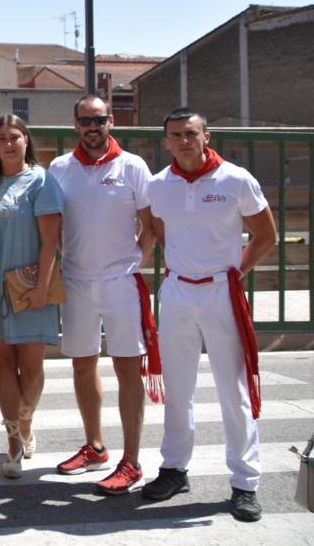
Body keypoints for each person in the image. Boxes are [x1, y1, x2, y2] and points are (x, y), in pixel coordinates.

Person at [143, 109, 276, 523]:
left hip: (222, 291)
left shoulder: (236, 179)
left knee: (232, 390)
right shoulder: (158, 185)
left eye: (190, 133)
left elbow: (266, 235)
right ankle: (174, 468)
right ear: (166, 141)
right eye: (175, 135)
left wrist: (234, 271)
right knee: (177, 388)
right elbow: (161, 230)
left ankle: (244, 483)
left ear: (206, 136)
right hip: (178, 290)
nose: (184, 141)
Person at [48, 95, 159, 495]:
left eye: (99, 119)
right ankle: (95, 447)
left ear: (111, 122)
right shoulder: (60, 168)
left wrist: (134, 261)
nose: (92, 127)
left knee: (128, 369)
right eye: (85, 120)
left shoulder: (133, 166)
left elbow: (151, 225)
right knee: (82, 365)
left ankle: (131, 462)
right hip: (76, 281)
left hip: (120, 284)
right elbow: (51, 224)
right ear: (75, 124)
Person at [0, 115, 63, 479]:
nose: (8, 143)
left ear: (26, 140)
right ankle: (14, 442)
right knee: (3, 364)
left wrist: (41, 288)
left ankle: (26, 421)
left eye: (14, 137)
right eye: (1, 137)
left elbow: (51, 241)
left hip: (30, 288)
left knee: (32, 369)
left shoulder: (41, 180)